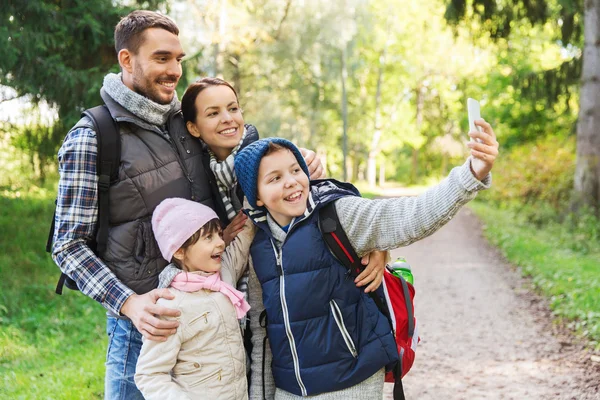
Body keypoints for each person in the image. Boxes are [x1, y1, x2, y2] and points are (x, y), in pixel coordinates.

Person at [50, 10, 331, 399]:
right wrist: (130, 304)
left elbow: (249, 150)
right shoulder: (93, 137)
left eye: (178, 59)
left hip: (216, 318)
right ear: (127, 61)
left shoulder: (186, 123)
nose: (174, 70)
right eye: (162, 58)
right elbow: (68, 246)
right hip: (147, 329)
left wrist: (303, 158)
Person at [233, 126, 498, 399]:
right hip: (289, 390)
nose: (291, 181)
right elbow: (260, 332)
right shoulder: (260, 247)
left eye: (295, 170)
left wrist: (471, 174)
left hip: (352, 382)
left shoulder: (338, 215)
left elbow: (411, 216)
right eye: (275, 178)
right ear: (256, 197)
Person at [135, 198, 254, 400]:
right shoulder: (171, 305)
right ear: (179, 251)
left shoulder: (224, 274)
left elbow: (244, 238)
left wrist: (256, 195)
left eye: (218, 233)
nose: (220, 242)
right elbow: (149, 374)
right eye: (208, 237)